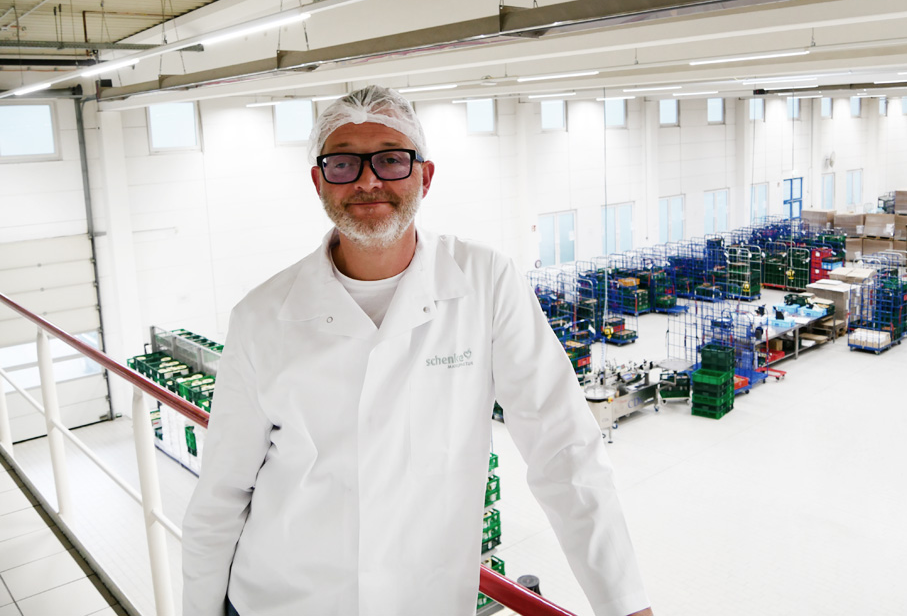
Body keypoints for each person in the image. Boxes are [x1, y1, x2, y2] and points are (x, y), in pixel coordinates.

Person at [182, 85, 653, 616]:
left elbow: (563, 448)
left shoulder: (484, 281)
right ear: (318, 182)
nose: (367, 180)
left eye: (390, 160)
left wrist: (625, 605)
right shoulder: (261, 317)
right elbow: (220, 495)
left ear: (424, 176)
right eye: (343, 164)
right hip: (280, 601)